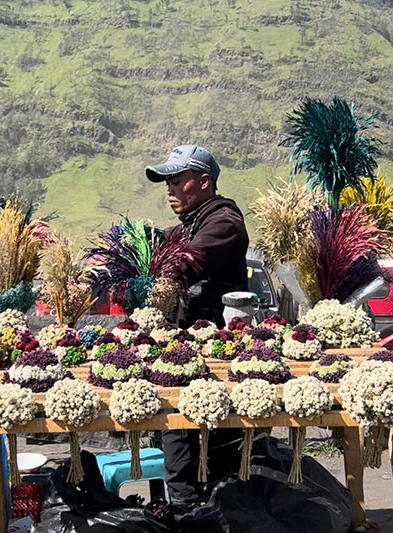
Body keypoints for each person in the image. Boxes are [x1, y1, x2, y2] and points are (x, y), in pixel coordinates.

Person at [145, 144, 249, 504]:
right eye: (167, 182)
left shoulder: (224, 222)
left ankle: (194, 510)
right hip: (187, 353)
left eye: (177, 180)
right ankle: (188, 509)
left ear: (204, 182)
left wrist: (160, 273)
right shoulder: (185, 227)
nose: (169, 189)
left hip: (216, 355)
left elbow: (187, 263)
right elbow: (163, 253)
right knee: (176, 430)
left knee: (198, 437)